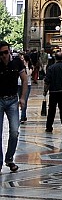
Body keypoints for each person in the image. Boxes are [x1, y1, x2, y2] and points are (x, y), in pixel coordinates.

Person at [0, 41, 25, 173]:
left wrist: (22, 98)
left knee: (14, 131)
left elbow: (25, 79)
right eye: (1, 53)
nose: (4, 55)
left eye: (5, 52)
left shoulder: (17, 62)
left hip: (12, 100)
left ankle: (9, 159)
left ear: (9, 51)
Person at [44, 50, 62, 134]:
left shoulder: (51, 68)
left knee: (52, 109)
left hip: (53, 91)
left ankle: (49, 127)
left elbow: (47, 81)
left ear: (55, 58)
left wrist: (45, 91)